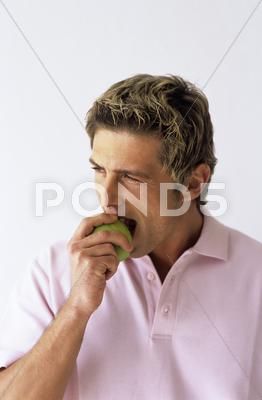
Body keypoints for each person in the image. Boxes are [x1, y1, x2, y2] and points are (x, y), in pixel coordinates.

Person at [0, 74, 261, 400]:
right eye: (99, 170)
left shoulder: (256, 274)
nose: (106, 197)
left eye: (130, 177)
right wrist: (76, 309)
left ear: (194, 183)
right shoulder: (54, 269)